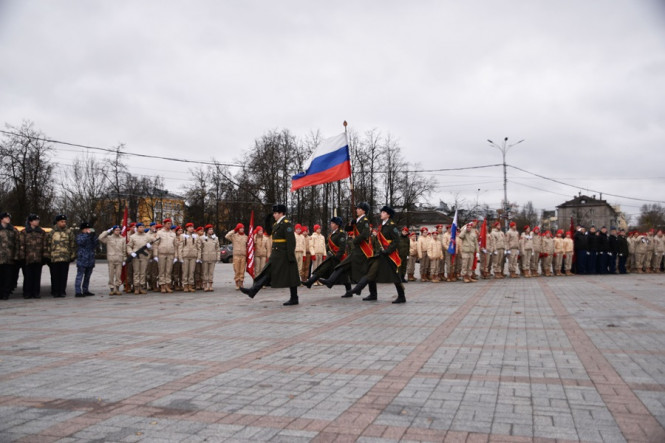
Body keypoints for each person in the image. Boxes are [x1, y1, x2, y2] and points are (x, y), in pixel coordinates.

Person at [240, 204, 301, 306]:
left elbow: (291, 241)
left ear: (281, 213)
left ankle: (294, 298)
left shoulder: (286, 224)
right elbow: (269, 232)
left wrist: (290, 256)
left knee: (291, 275)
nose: (274, 215)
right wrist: (267, 220)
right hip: (277, 254)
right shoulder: (277, 224)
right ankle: (253, 290)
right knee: (267, 272)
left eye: (275, 213)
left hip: (283, 254)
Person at [343, 206, 406, 303]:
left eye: (383, 212)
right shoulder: (383, 225)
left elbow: (396, 240)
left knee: (395, 275)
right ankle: (361, 290)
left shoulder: (391, 225)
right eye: (381, 212)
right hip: (381, 254)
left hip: (390, 255)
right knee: (371, 271)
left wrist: (388, 250)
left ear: (388, 215)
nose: (381, 214)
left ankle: (401, 296)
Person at [319, 202, 372, 296]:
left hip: (362, 250)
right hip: (357, 250)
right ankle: (332, 282)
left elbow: (365, 234)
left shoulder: (365, 220)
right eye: (357, 208)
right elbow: (347, 229)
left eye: (359, 208)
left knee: (366, 271)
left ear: (363, 210)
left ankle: (369, 292)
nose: (357, 210)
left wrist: (355, 241)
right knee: (344, 267)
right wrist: (351, 223)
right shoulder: (358, 220)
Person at [302, 217, 351, 294]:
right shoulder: (332, 234)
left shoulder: (341, 234)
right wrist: (326, 250)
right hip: (331, 257)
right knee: (321, 269)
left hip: (339, 258)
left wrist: (337, 257)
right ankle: (310, 282)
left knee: (344, 275)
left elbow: (342, 248)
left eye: (332, 223)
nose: (331, 224)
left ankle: (349, 291)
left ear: (337, 225)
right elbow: (329, 245)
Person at [18, 214, 48, 299]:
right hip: (28, 258)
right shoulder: (24, 232)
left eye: (38, 220)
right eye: (35, 220)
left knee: (37, 276)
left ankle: (36, 292)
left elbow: (44, 245)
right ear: (30, 221)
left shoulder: (42, 232)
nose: (37, 221)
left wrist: (44, 256)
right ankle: (27, 293)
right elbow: (21, 245)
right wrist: (22, 257)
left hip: (38, 258)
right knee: (27, 276)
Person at [47, 215, 77, 298]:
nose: (64, 223)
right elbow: (48, 244)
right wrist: (48, 255)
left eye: (65, 221)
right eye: (62, 221)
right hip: (54, 257)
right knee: (54, 276)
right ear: (57, 222)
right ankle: (55, 291)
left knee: (63, 276)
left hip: (65, 257)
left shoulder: (69, 232)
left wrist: (72, 255)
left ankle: (62, 291)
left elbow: (72, 244)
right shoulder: (52, 232)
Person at [98, 225, 126, 295]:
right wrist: (107, 231)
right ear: (113, 231)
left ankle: (117, 288)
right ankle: (112, 288)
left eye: (119, 230)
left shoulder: (122, 239)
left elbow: (124, 250)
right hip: (111, 259)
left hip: (119, 259)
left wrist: (124, 259)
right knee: (111, 274)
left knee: (118, 275)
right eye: (116, 230)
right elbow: (100, 238)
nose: (118, 231)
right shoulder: (109, 238)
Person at [74, 222, 98, 297]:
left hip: (90, 258)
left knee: (87, 276)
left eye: (89, 228)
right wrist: (87, 235)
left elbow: (95, 244)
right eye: (86, 229)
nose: (88, 230)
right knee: (80, 276)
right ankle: (78, 291)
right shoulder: (80, 236)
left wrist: (93, 236)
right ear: (82, 230)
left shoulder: (91, 236)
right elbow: (81, 242)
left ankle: (85, 290)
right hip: (82, 258)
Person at [0, 212, 19, 300]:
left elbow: (17, 243)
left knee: (8, 276)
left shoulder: (13, 230)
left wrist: (16, 255)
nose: (8, 219)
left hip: (9, 257)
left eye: (9, 217)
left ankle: (6, 293)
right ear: (2, 219)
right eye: (6, 217)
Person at [127, 223, 150, 294]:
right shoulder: (133, 236)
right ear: (137, 228)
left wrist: (150, 247)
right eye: (140, 227)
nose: (142, 228)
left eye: (143, 227)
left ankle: (141, 287)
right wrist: (131, 252)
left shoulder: (147, 236)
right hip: (136, 256)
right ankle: (136, 287)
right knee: (136, 272)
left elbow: (151, 245)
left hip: (144, 256)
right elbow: (129, 246)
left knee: (143, 272)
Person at [155, 219, 177, 293]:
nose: (169, 225)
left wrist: (175, 256)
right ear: (164, 224)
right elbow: (156, 244)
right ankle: (162, 285)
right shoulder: (160, 232)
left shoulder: (173, 234)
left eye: (170, 224)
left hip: (170, 254)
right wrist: (155, 255)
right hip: (161, 253)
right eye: (168, 223)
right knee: (161, 270)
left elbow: (175, 245)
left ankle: (168, 285)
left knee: (168, 270)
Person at [225, 223, 248, 289]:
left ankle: (241, 283)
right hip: (236, 255)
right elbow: (226, 236)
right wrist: (234, 230)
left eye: (243, 228)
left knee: (242, 270)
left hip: (243, 255)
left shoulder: (246, 237)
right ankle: (237, 283)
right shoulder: (234, 236)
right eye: (240, 228)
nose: (242, 229)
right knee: (237, 270)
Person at [179, 223, 200, 292]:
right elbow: (180, 247)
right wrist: (180, 257)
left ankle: (190, 285)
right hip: (185, 255)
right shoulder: (182, 236)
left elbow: (199, 247)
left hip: (193, 256)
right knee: (185, 272)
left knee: (191, 271)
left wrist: (198, 257)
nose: (191, 228)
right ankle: (185, 285)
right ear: (187, 228)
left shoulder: (196, 236)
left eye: (192, 227)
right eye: (190, 227)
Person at [200, 224, 219, 291]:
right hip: (205, 257)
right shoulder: (202, 238)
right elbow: (200, 248)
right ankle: (205, 285)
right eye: (210, 229)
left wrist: (218, 257)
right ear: (207, 230)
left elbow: (217, 249)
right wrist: (199, 257)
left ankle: (210, 285)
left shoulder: (215, 238)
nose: (211, 230)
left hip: (212, 257)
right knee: (205, 272)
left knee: (211, 272)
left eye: (212, 229)